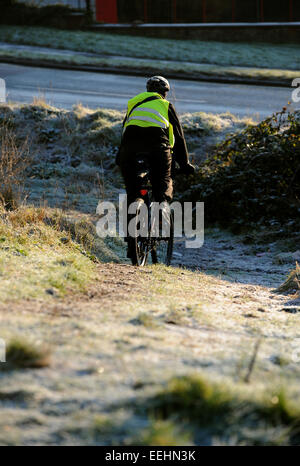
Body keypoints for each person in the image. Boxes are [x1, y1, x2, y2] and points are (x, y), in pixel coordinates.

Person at [116, 75, 195, 257]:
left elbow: (125, 129)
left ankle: (131, 241)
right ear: (164, 93)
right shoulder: (166, 106)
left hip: (130, 150)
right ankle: (161, 214)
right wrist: (184, 163)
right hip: (157, 148)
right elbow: (179, 137)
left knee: (133, 193)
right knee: (163, 183)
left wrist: (120, 156)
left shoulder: (133, 103)